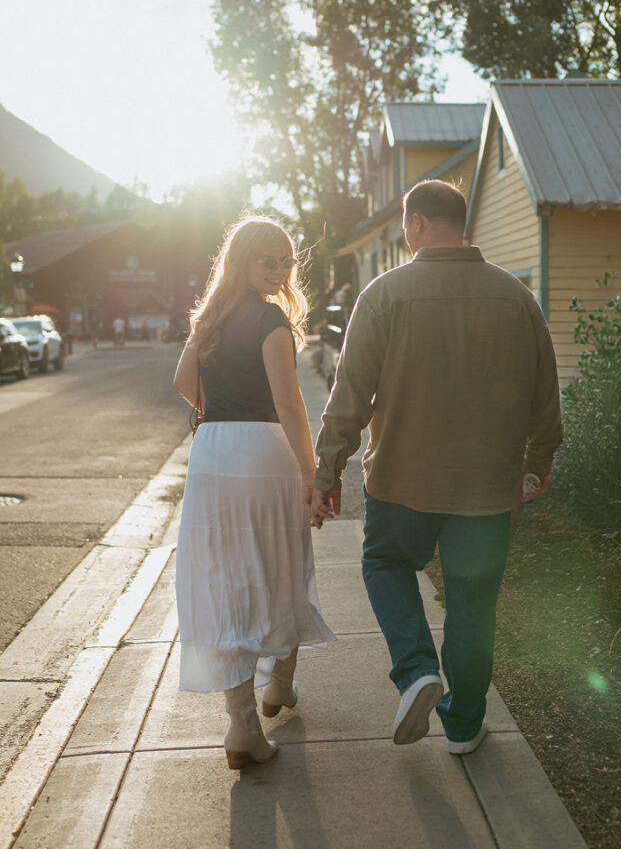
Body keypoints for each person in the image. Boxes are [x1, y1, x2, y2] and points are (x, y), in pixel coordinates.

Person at [311, 179, 562, 756]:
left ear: (417, 223)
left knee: (384, 564)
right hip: (489, 489)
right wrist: (536, 461)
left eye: (404, 225)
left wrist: (327, 472)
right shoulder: (517, 297)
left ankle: (417, 668)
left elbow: (349, 397)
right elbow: (544, 396)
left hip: (403, 482)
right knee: (473, 599)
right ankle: (465, 724)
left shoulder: (383, 294)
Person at [173, 216, 335, 771]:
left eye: (286, 261)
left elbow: (181, 383)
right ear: (242, 258)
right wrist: (312, 474)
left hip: (213, 454)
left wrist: (220, 409)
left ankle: (244, 723)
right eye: (268, 259)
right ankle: (277, 687)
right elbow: (289, 403)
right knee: (279, 568)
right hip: (264, 451)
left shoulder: (210, 318)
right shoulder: (271, 320)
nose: (279, 270)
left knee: (226, 580)